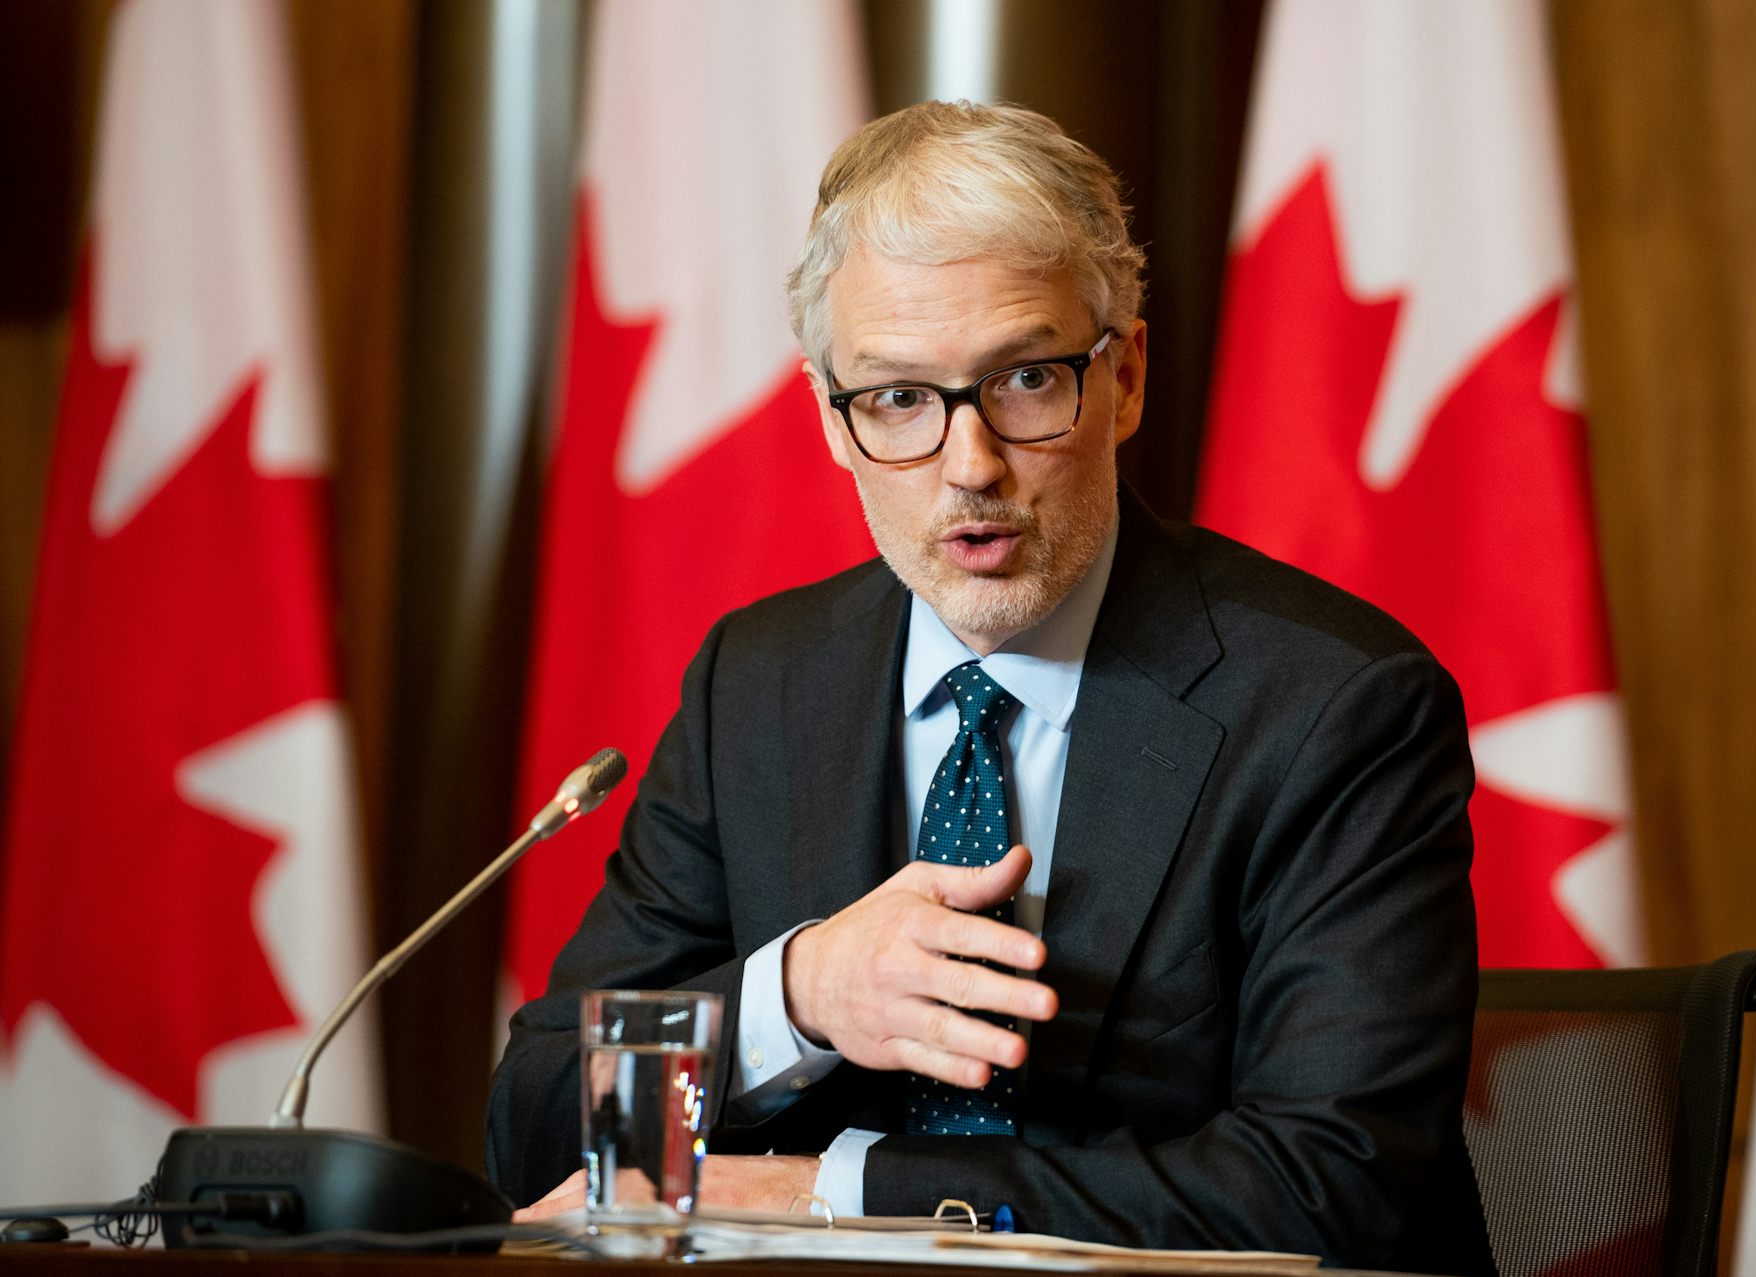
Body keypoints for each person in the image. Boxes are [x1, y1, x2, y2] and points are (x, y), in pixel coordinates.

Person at [488, 100, 1492, 1274]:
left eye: (1024, 379)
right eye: (900, 398)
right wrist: (799, 993)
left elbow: (1333, 1189)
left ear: (1123, 380)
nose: (970, 466)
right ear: (829, 417)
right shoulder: (756, 687)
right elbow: (539, 1123)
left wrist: (840, 1189)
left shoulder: (1335, 705)